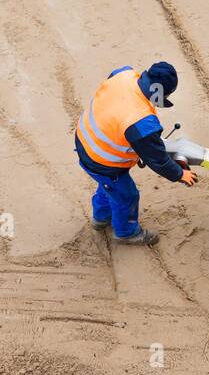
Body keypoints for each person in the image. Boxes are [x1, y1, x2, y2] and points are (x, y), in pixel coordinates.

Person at [74, 62, 197, 246]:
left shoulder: (125, 74)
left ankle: (101, 218)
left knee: (108, 187)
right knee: (127, 195)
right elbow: (159, 160)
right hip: (102, 160)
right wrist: (180, 174)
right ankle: (126, 232)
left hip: (85, 138)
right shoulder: (141, 122)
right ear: (157, 90)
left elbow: (117, 109)